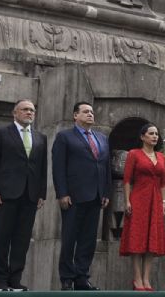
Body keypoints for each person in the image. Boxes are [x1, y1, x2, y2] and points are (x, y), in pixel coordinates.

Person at [0, 99, 47, 292]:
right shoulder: (1, 134)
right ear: (15, 113)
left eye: (32, 110)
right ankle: (1, 281)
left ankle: (15, 280)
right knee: (2, 239)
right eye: (25, 109)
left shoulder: (40, 138)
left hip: (29, 196)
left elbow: (43, 168)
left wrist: (41, 194)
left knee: (22, 240)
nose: (29, 113)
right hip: (5, 195)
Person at [52, 101, 111, 291]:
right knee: (70, 238)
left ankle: (82, 278)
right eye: (86, 112)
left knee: (88, 240)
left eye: (92, 112)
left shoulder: (102, 138)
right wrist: (62, 193)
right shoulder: (64, 137)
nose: (90, 114)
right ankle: (67, 279)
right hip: (73, 197)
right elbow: (58, 167)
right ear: (75, 115)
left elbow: (106, 167)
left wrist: (106, 192)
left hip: (96, 197)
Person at [119, 123, 165, 291]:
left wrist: (163, 202)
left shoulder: (161, 157)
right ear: (142, 137)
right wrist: (127, 201)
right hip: (138, 199)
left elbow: (163, 183)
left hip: (155, 201)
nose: (155, 136)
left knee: (151, 240)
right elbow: (126, 180)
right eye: (151, 133)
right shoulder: (134, 154)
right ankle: (137, 279)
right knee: (137, 238)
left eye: (156, 133)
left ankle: (147, 279)